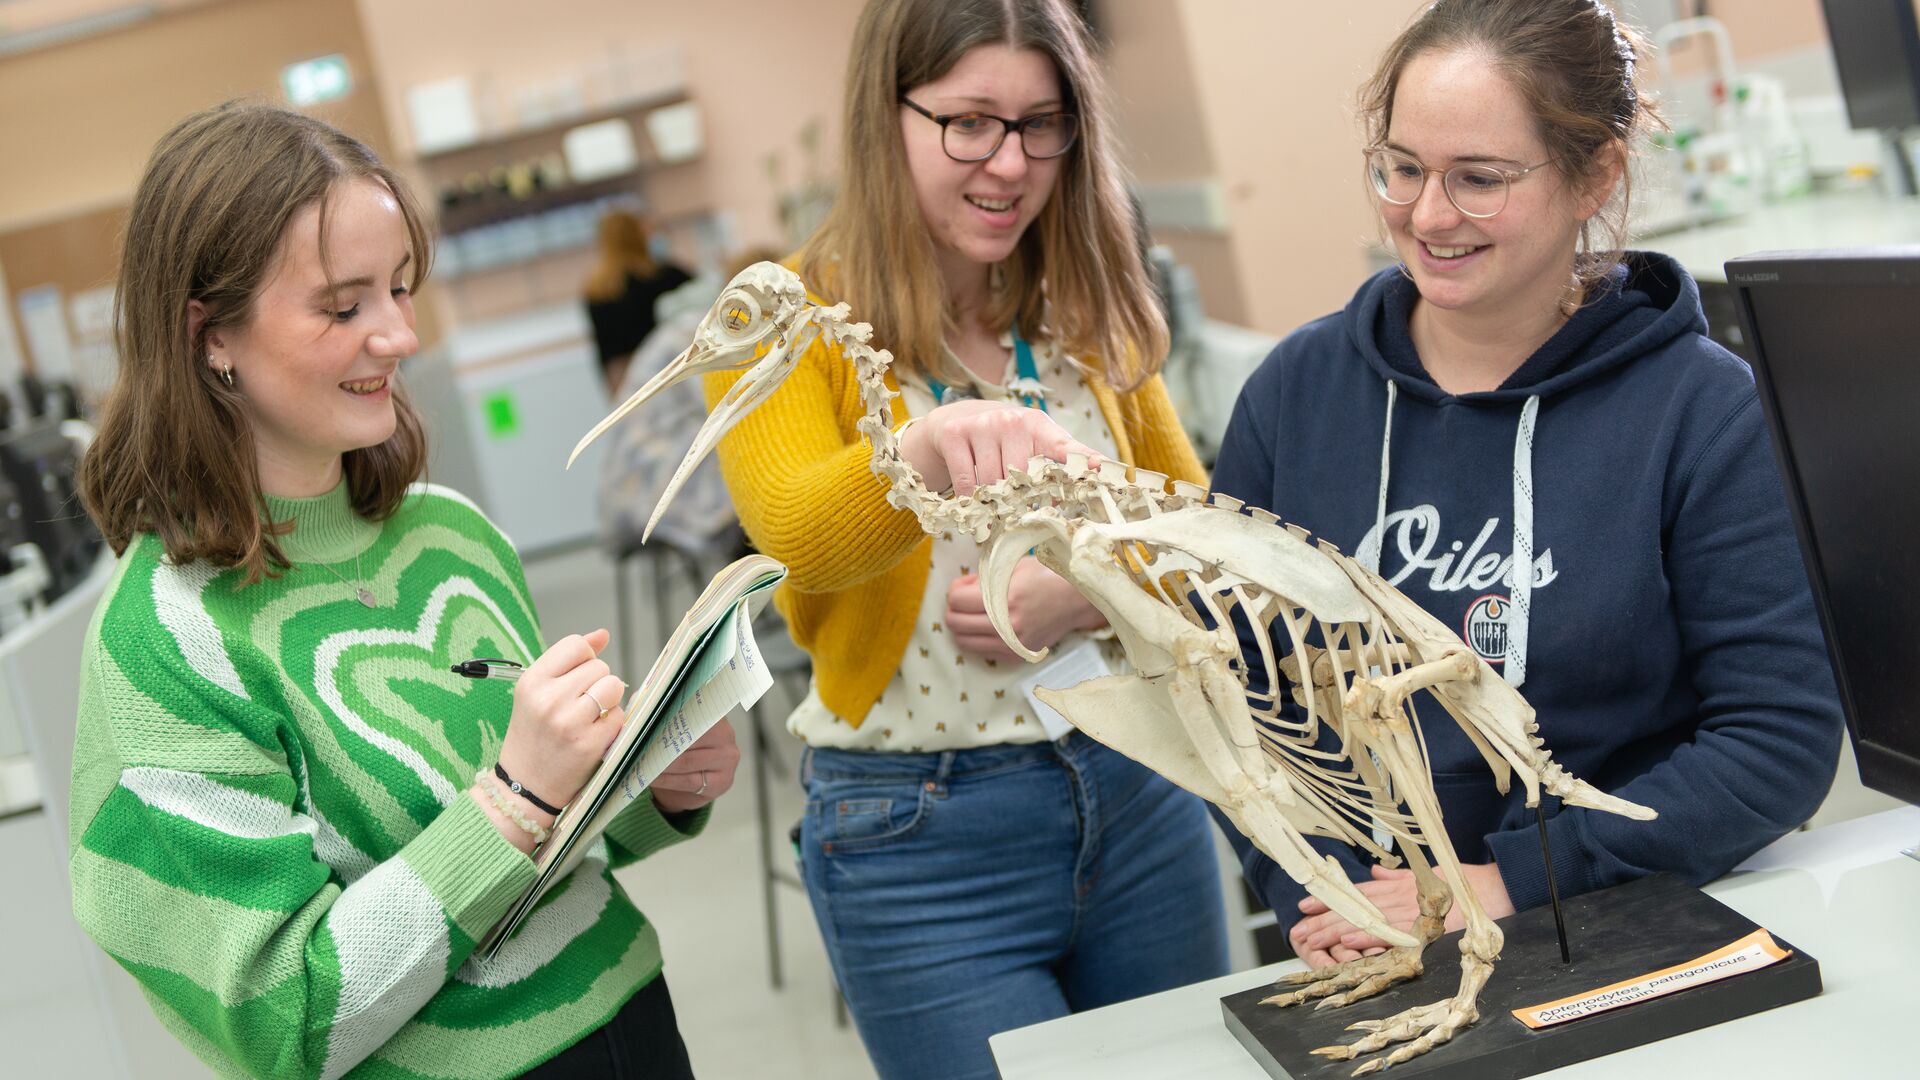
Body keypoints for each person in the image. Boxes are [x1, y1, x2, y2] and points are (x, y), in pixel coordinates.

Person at [69, 101, 739, 1079]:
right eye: (344, 307)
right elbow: (279, 1019)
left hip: (633, 1020)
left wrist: (648, 786)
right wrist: (512, 798)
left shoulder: (449, 532)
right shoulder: (165, 644)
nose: (400, 335)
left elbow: (548, 858)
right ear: (210, 335)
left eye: (400, 288)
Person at [1208, 0, 1844, 968]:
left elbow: (1776, 742)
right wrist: (1321, 886)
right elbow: (1236, 694)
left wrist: (1521, 876)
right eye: (1404, 167)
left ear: (1594, 175)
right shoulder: (1294, 396)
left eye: (1479, 179)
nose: (1426, 215)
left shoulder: (1702, 413)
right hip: (1367, 936)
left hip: (1627, 920)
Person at [703, 1, 1230, 1075]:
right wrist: (926, 446)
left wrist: (1089, 588)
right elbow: (795, 542)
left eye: (1043, 124)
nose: (1012, 164)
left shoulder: (1080, 303)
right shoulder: (784, 323)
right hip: (920, 843)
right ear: (884, 116)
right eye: (970, 123)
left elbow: (1197, 531)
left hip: (1139, 790)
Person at [584, 210, 694, 393]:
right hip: (674, 368)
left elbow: (605, 352)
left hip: (629, 380)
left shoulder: (596, 290)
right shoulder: (665, 275)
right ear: (637, 234)